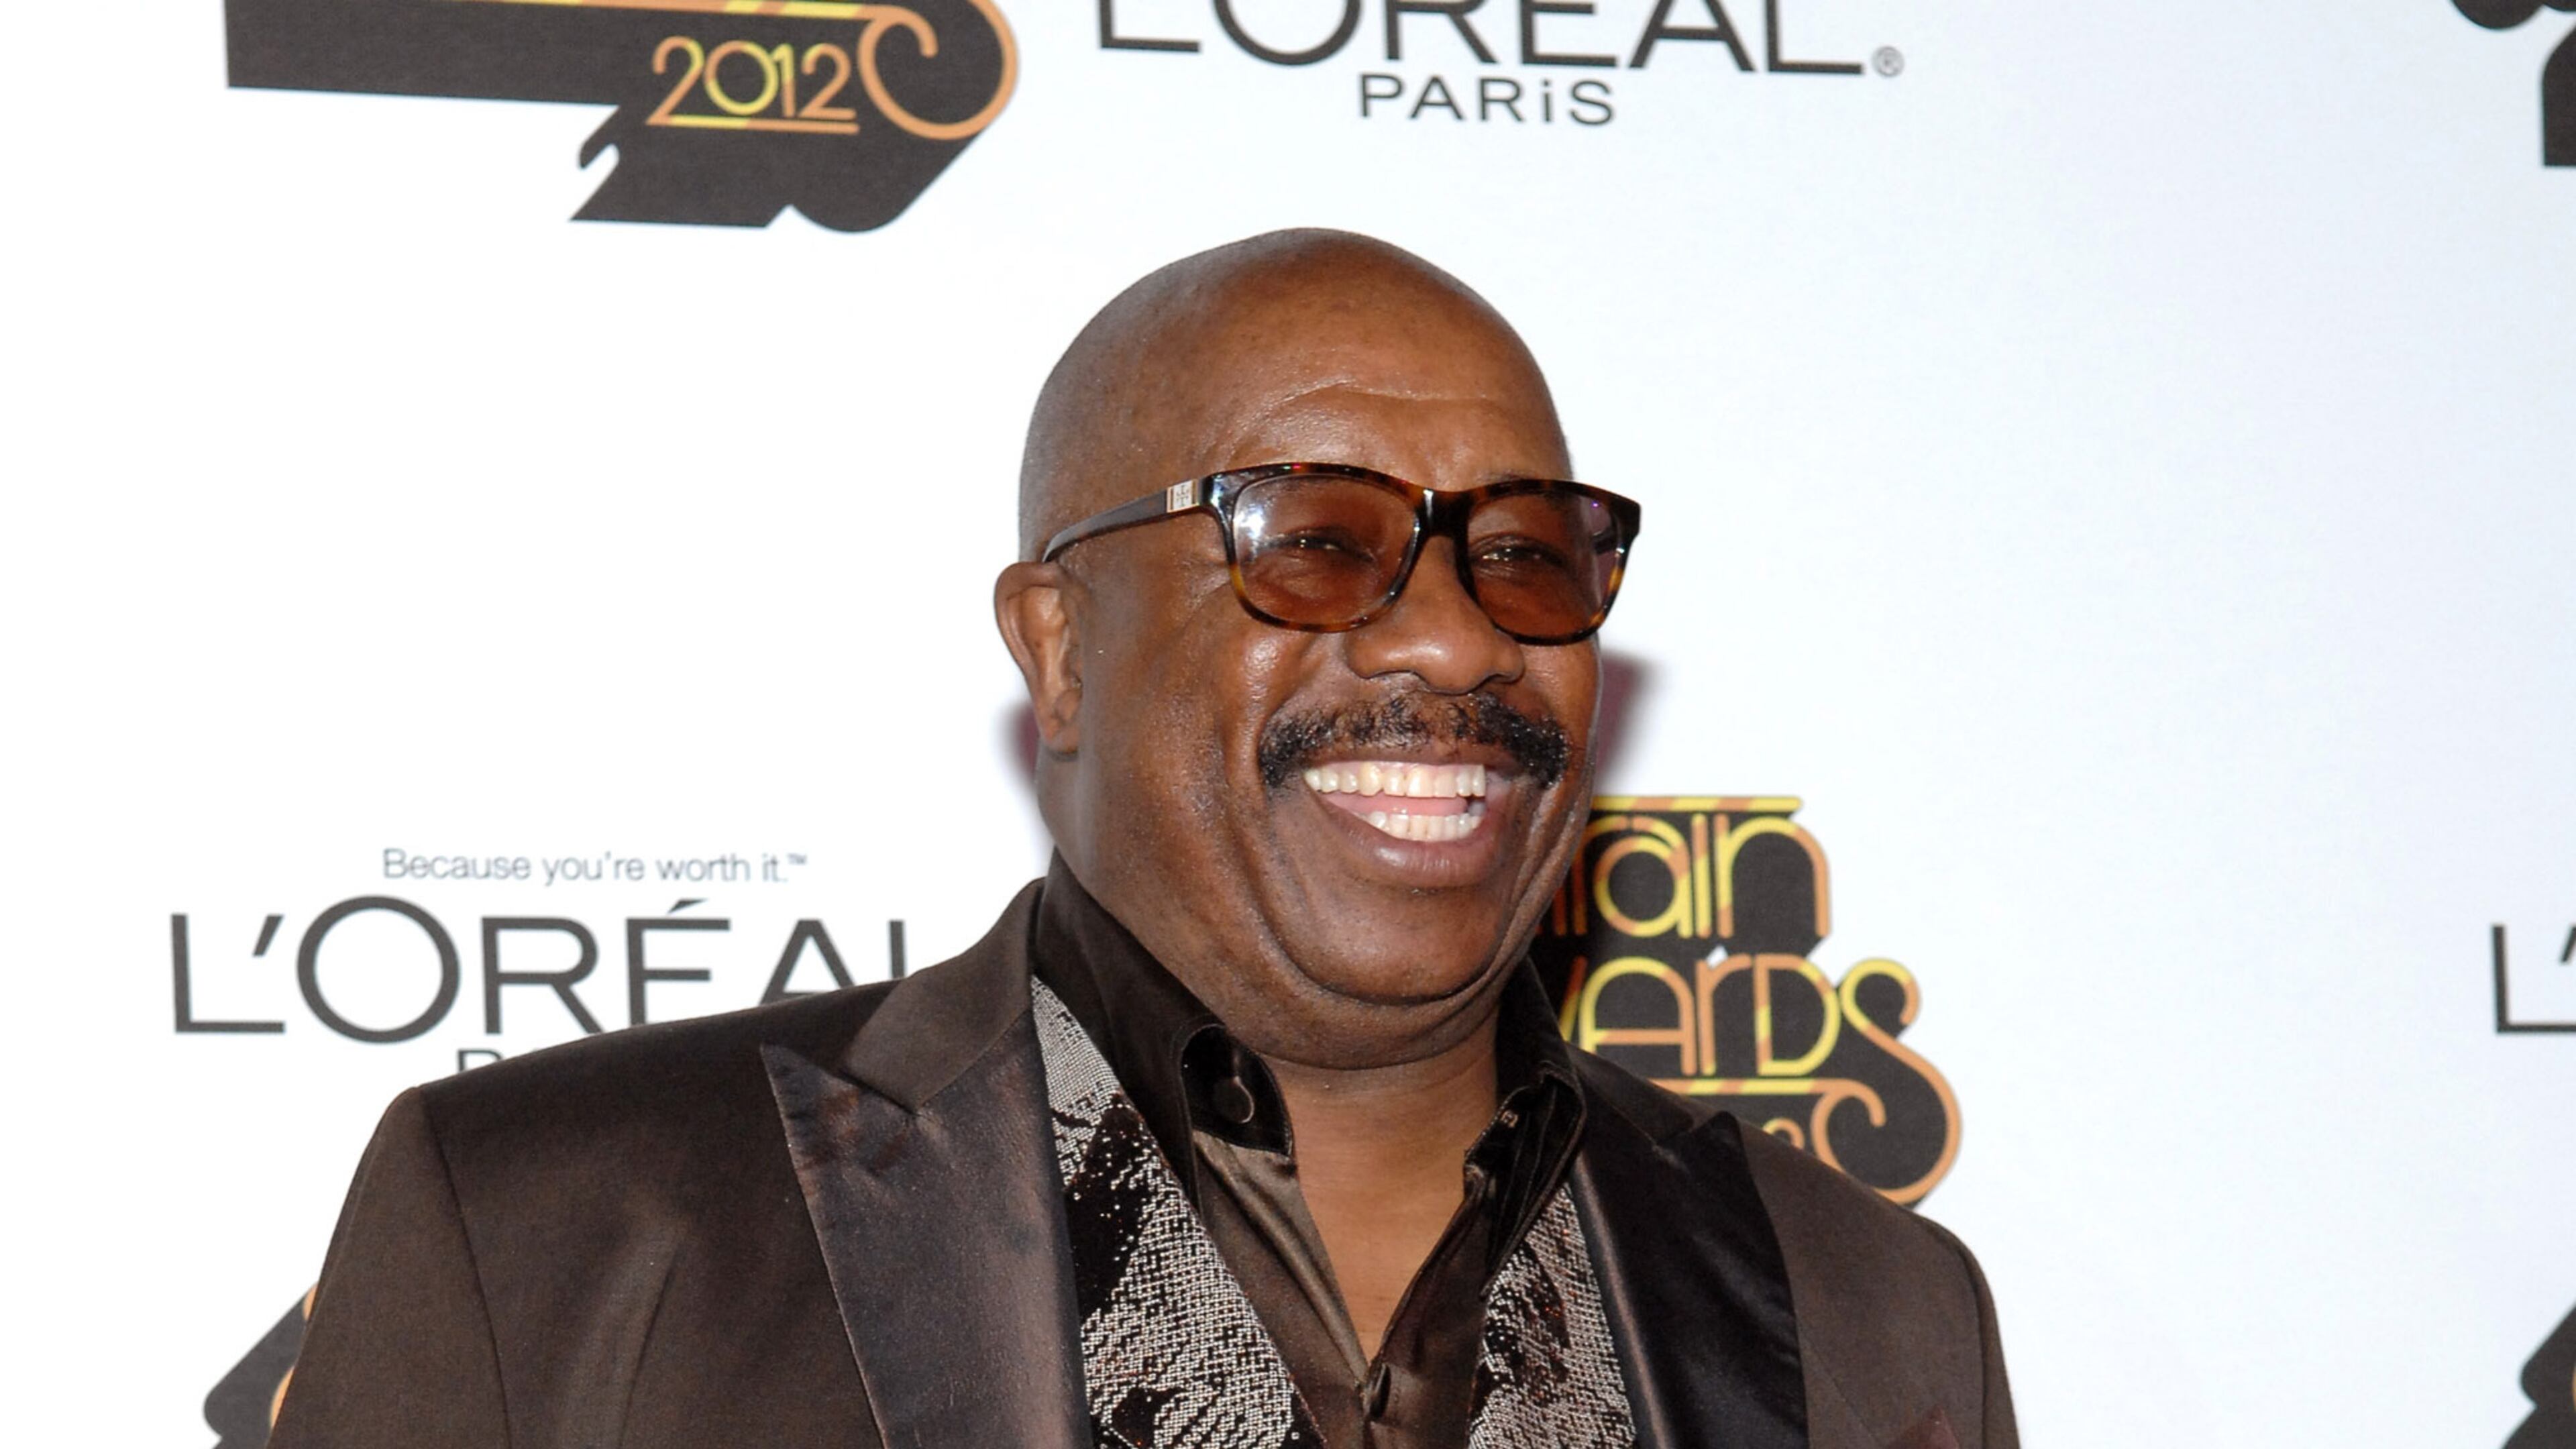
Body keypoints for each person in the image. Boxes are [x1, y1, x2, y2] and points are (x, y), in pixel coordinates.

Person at [269, 229, 2015, 1449]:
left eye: (1529, 554)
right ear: (1059, 647)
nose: (1455, 639)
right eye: (1318, 539)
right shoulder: (566, 1230)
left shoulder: (1864, 1296)